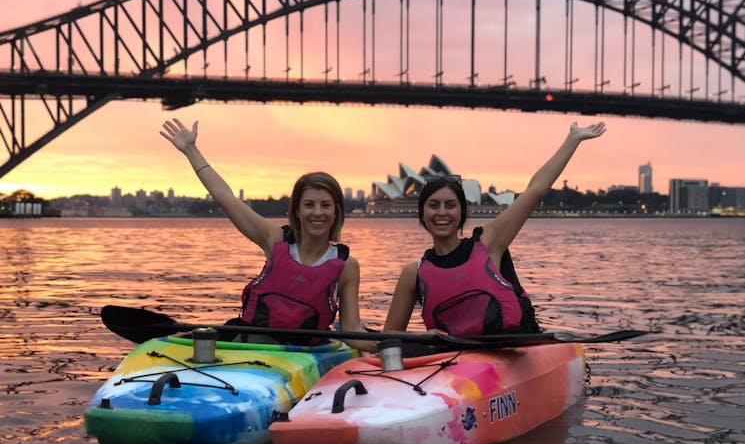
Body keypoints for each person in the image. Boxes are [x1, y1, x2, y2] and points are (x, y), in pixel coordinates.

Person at [159, 118, 374, 352]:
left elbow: (352, 330)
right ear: (298, 211)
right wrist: (191, 150)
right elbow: (226, 198)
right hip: (251, 347)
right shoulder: (275, 240)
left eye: (325, 205)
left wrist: (393, 347)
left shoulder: (347, 267)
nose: (317, 213)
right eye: (309, 205)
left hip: (304, 358)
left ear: (336, 212)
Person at [383, 121, 607, 337]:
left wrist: (573, 139)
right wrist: (424, 338)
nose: (442, 213)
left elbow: (535, 190)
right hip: (452, 363)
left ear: (462, 212)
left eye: (450, 205)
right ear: (422, 214)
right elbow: (390, 336)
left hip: (507, 355)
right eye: (433, 205)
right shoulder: (413, 274)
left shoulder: (489, 244)